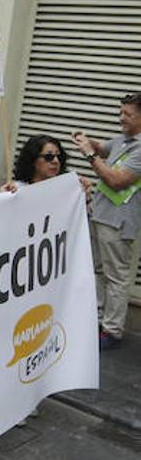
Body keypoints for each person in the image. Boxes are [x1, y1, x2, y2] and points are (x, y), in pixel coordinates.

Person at [71, 94, 141, 349]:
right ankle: (97, 320)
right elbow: (102, 148)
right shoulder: (125, 140)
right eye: (120, 112)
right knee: (97, 271)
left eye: (127, 114)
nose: (121, 117)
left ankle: (112, 331)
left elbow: (116, 180)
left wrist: (90, 155)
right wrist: (87, 141)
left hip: (118, 222)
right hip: (100, 215)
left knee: (116, 277)